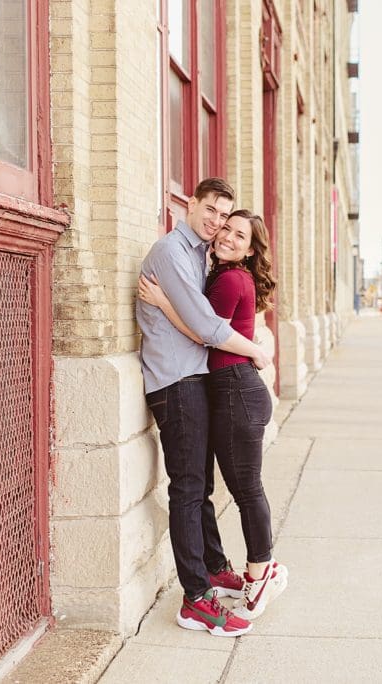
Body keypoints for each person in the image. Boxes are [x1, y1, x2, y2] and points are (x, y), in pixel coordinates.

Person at [138, 210, 287, 622]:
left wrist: (165, 302)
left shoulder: (228, 278)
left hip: (237, 390)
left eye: (240, 234)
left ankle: (260, 574)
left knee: (245, 491)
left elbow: (205, 331)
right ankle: (238, 569)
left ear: (252, 248)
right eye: (226, 227)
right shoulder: (223, 274)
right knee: (229, 488)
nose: (228, 236)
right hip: (229, 388)